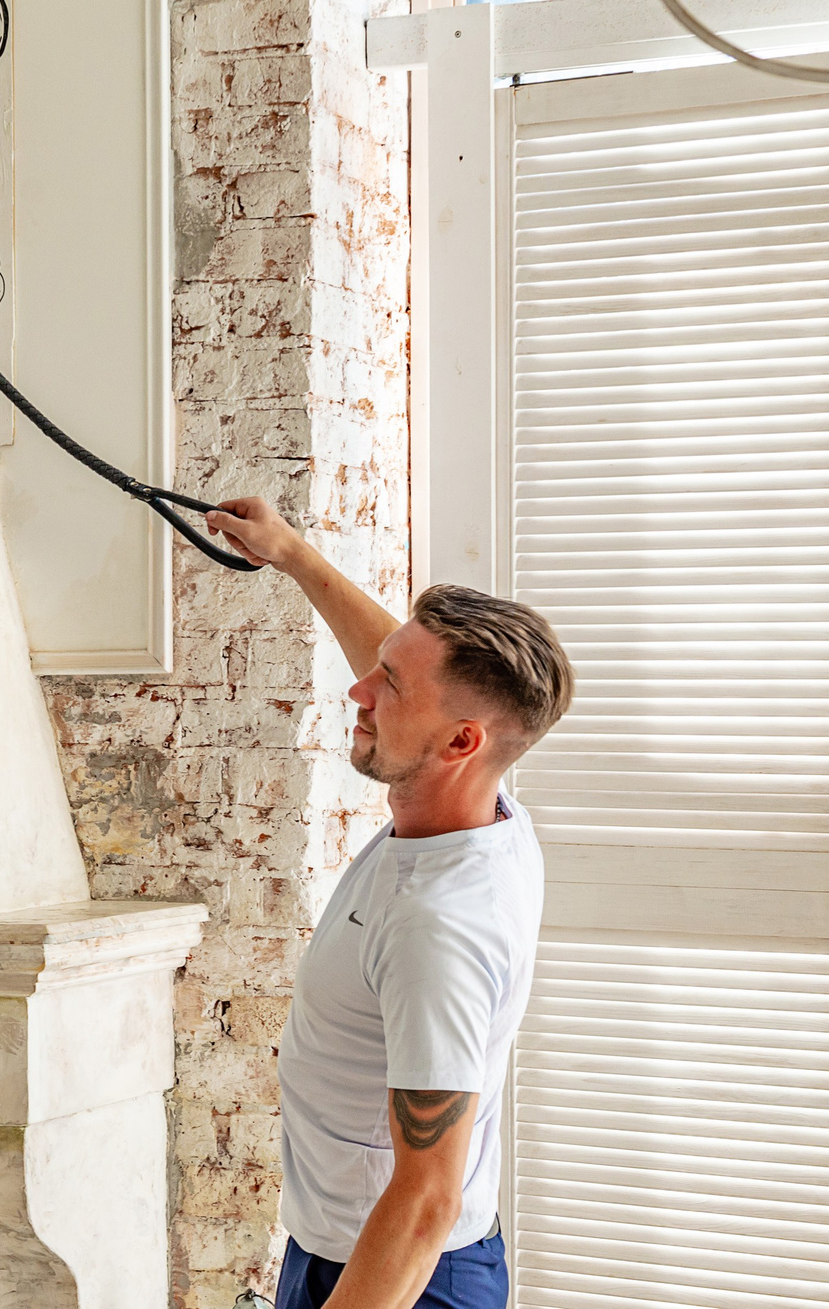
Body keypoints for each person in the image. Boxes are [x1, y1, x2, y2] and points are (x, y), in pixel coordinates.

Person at [205, 499, 572, 1309]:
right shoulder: (474, 810)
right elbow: (401, 663)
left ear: (460, 742)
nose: (358, 687)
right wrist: (293, 555)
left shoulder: (436, 925)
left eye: (388, 684)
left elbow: (426, 1199)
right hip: (343, 1249)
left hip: (404, 1275)